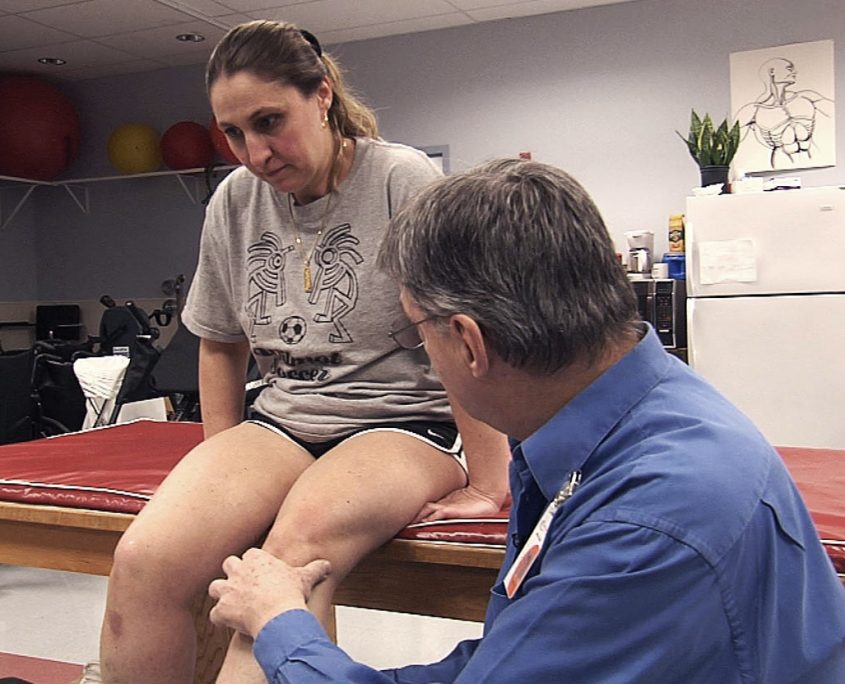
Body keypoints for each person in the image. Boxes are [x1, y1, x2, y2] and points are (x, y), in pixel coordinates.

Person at [208, 159, 845, 682]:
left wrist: (281, 625)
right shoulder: (632, 420)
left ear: (469, 342)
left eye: (415, 331)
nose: (421, 349)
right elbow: (516, 657)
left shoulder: (649, 517)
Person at [96, 20, 510, 684]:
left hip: (399, 423)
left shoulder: (398, 179)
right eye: (233, 133)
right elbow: (219, 342)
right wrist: (222, 456)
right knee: (144, 559)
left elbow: (459, 328)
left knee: (288, 560)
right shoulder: (234, 201)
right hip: (283, 419)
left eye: (269, 121)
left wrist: (491, 481)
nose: (254, 152)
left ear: (321, 96)